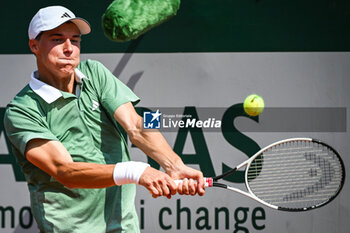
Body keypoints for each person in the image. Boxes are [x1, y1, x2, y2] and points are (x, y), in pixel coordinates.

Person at [4, 6, 205, 233]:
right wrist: (136, 171)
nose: (69, 48)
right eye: (58, 39)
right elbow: (65, 171)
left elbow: (138, 125)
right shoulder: (21, 110)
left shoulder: (95, 72)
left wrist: (174, 165)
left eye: (75, 40)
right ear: (34, 46)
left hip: (124, 226)